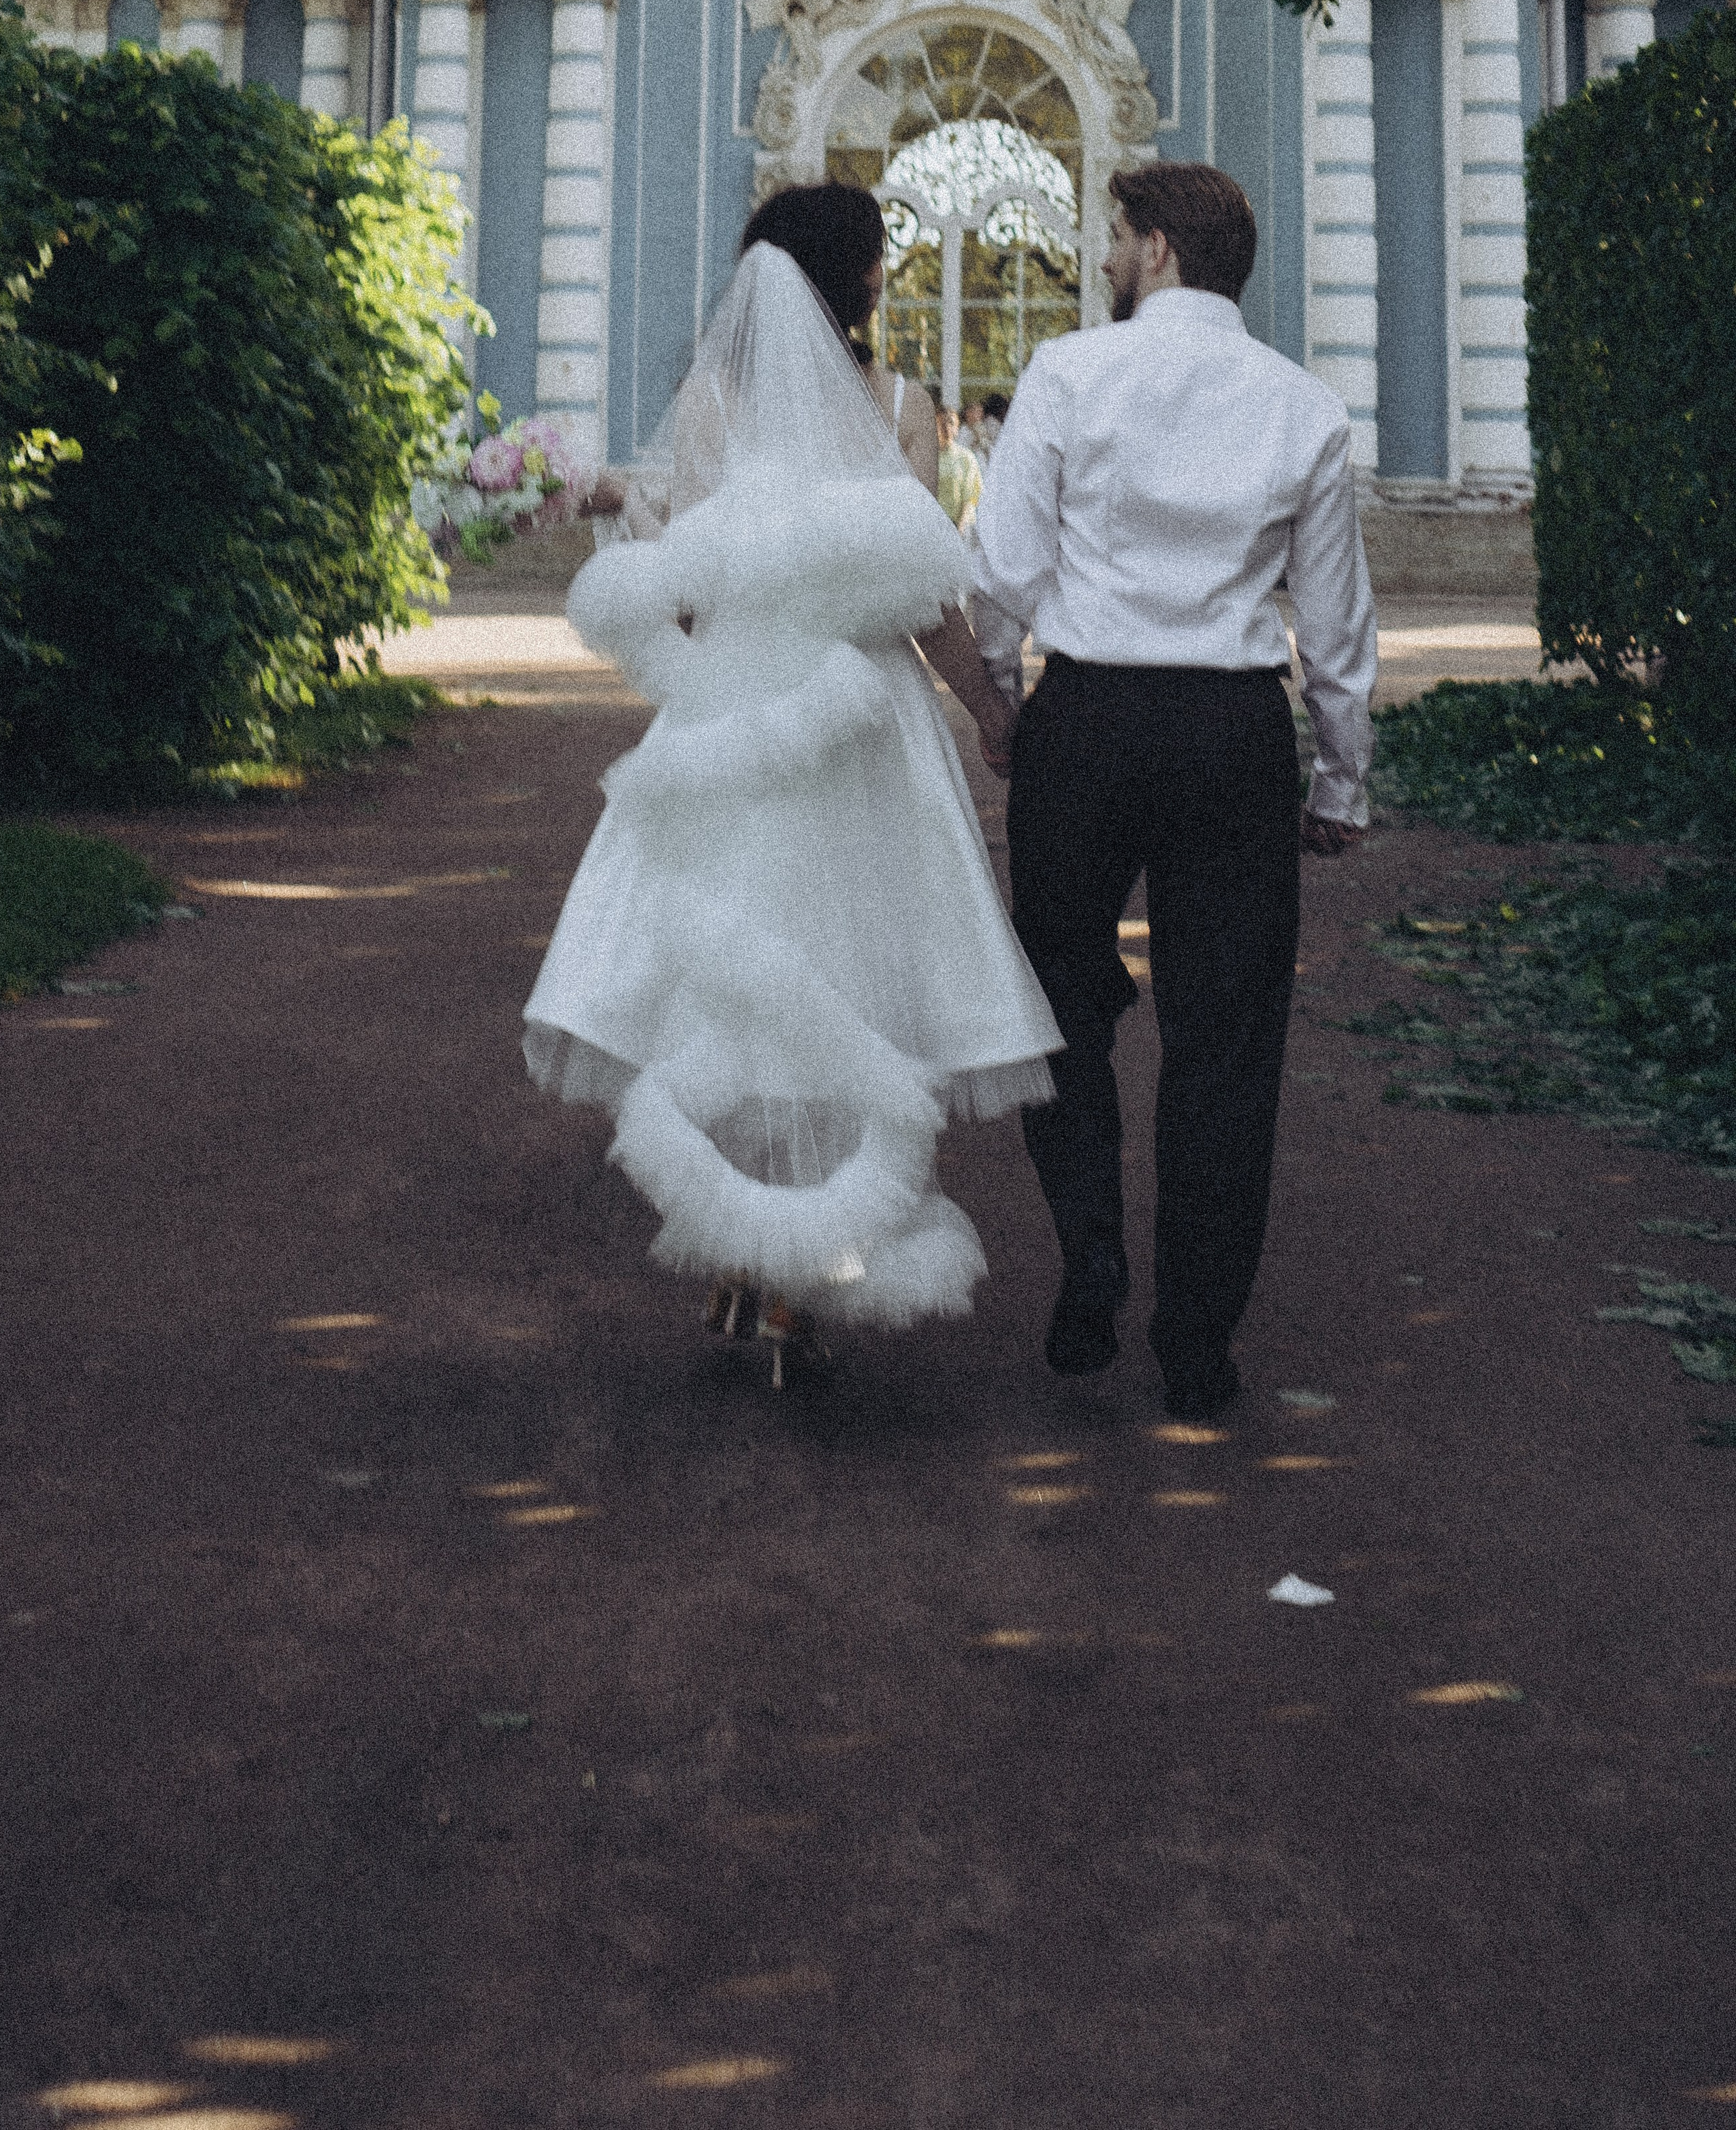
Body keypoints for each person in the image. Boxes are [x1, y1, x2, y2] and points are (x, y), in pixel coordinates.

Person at [526, 189, 1061, 1381]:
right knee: (860, 984)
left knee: (748, 980)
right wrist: (988, 711)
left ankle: (753, 1261)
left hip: (743, 714)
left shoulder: (713, 406)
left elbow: (691, 587)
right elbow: (929, 604)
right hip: (868, 730)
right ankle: (813, 1260)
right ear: (864, 282)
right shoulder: (903, 410)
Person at [967, 160, 1377, 1415]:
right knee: (1227, 1037)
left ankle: (1092, 1249)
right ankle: (1197, 1340)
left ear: (1157, 250)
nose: (1101, 258)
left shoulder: (1069, 374)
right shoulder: (1303, 406)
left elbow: (1002, 567)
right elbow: (1337, 621)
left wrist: (1003, 703)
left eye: (1114, 238)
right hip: (1229, 733)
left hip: (1085, 717)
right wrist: (1341, 779)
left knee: (1057, 1002)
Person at [935, 404, 984, 536]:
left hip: (958, 526)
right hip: (933, 525)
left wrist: (960, 528)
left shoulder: (966, 457)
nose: (946, 428)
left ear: (957, 428)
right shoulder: (926, 457)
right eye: (941, 423)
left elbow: (971, 496)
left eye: (951, 423)